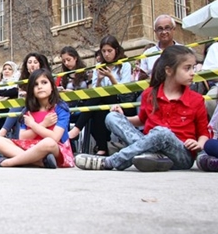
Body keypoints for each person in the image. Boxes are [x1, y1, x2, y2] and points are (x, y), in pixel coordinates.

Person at [75, 46, 209, 172]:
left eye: (193, 68)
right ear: (169, 70)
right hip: (149, 144)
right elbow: (141, 120)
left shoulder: (196, 99)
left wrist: (199, 144)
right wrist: (123, 117)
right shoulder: (150, 94)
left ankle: (111, 162)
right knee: (111, 117)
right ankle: (150, 156)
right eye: (187, 68)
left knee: (162, 132)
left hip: (180, 154)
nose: (193, 73)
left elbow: (204, 132)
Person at [0, 69, 72, 169]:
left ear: (53, 87)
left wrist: (33, 125)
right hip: (29, 146)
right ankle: (39, 162)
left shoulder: (60, 108)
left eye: (44, 83)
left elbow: (55, 138)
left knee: (48, 142)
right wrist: (43, 124)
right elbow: (23, 137)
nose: (40, 87)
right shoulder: (28, 110)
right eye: (35, 84)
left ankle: (7, 162)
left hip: (54, 149)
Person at [71, 35, 133, 155]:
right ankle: (102, 148)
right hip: (103, 101)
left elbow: (125, 90)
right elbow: (95, 91)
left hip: (121, 100)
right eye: (103, 51)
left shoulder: (125, 65)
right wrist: (99, 80)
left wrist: (111, 77)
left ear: (116, 50)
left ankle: (77, 129)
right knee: (98, 110)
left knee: (99, 99)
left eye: (109, 51)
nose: (106, 54)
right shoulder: (98, 67)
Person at [0, 53, 51, 138]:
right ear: (26, 65)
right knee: (21, 113)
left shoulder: (45, 77)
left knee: (20, 108)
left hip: (42, 104)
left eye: (35, 62)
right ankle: (18, 141)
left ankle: (3, 131)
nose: (32, 65)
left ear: (40, 64)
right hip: (26, 106)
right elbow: (20, 96)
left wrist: (29, 94)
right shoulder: (22, 80)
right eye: (29, 62)